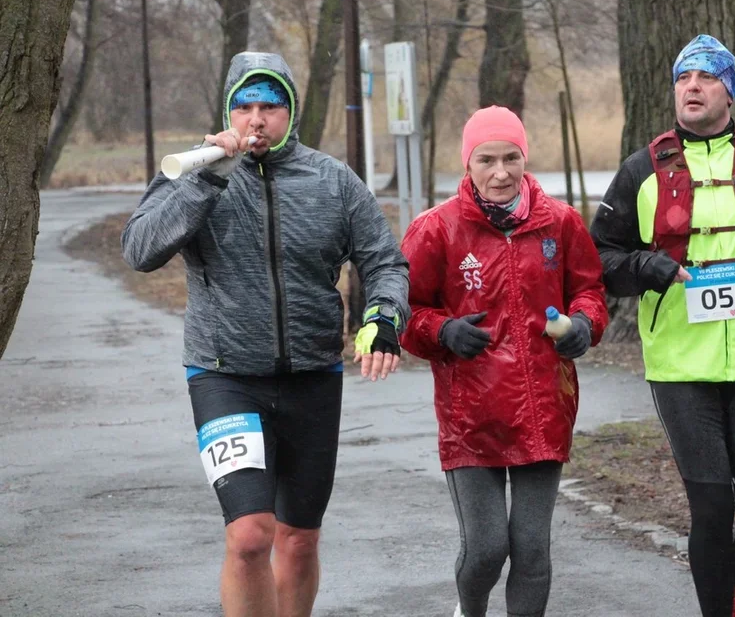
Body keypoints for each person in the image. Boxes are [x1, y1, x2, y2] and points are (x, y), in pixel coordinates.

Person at [121, 51, 410, 617]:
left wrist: (382, 318)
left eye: (271, 107)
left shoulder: (331, 180)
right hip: (224, 377)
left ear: (291, 112)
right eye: (245, 107)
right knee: (251, 535)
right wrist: (208, 180)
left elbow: (386, 262)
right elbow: (140, 250)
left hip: (312, 377)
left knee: (298, 540)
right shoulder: (193, 170)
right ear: (229, 112)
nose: (257, 119)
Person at [589, 35, 735, 617]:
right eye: (682, 78)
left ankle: (724, 583)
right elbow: (599, 260)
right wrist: (648, 266)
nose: (691, 87)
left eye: (706, 77)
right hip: (680, 367)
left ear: (730, 90)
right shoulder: (641, 169)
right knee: (713, 514)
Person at [399, 106, 609, 617]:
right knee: (487, 549)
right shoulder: (437, 229)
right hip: (472, 418)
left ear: (525, 158)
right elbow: (403, 309)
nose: (500, 172)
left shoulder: (560, 222)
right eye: (486, 160)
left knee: (533, 550)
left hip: (544, 410)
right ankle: (469, 611)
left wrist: (583, 325)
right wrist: (442, 330)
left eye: (511, 158)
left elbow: (589, 292)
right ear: (467, 165)